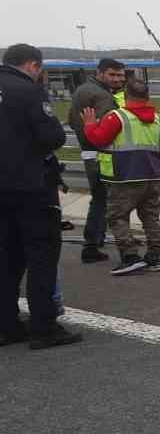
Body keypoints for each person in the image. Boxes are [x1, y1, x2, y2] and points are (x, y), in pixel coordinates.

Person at [1, 43, 82, 348]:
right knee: (41, 256)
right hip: (32, 187)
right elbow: (52, 136)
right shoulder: (29, 91)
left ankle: (7, 325)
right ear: (33, 66)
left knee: (6, 258)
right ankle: (43, 326)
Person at [79, 76, 160, 276]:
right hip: (151, 176)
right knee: (151, 218)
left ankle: (130, 257)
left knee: (117, 217)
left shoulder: (117, 117)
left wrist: (89, 125)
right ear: (147, 97)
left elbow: (97, 140)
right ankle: (154, 257)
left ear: (126, 96)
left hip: (124, 177)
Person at [67, 58, 126, 263]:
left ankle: (97, 239)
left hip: (93, 151)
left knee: (102, 198)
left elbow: (71, 119)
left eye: (120, 75)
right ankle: (91, 245)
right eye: (113, 75)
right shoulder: (96, 93)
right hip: (98, 152)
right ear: (100, 73)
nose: (118, 79)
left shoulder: (90, 90)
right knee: (102, 199)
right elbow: (103, 128)